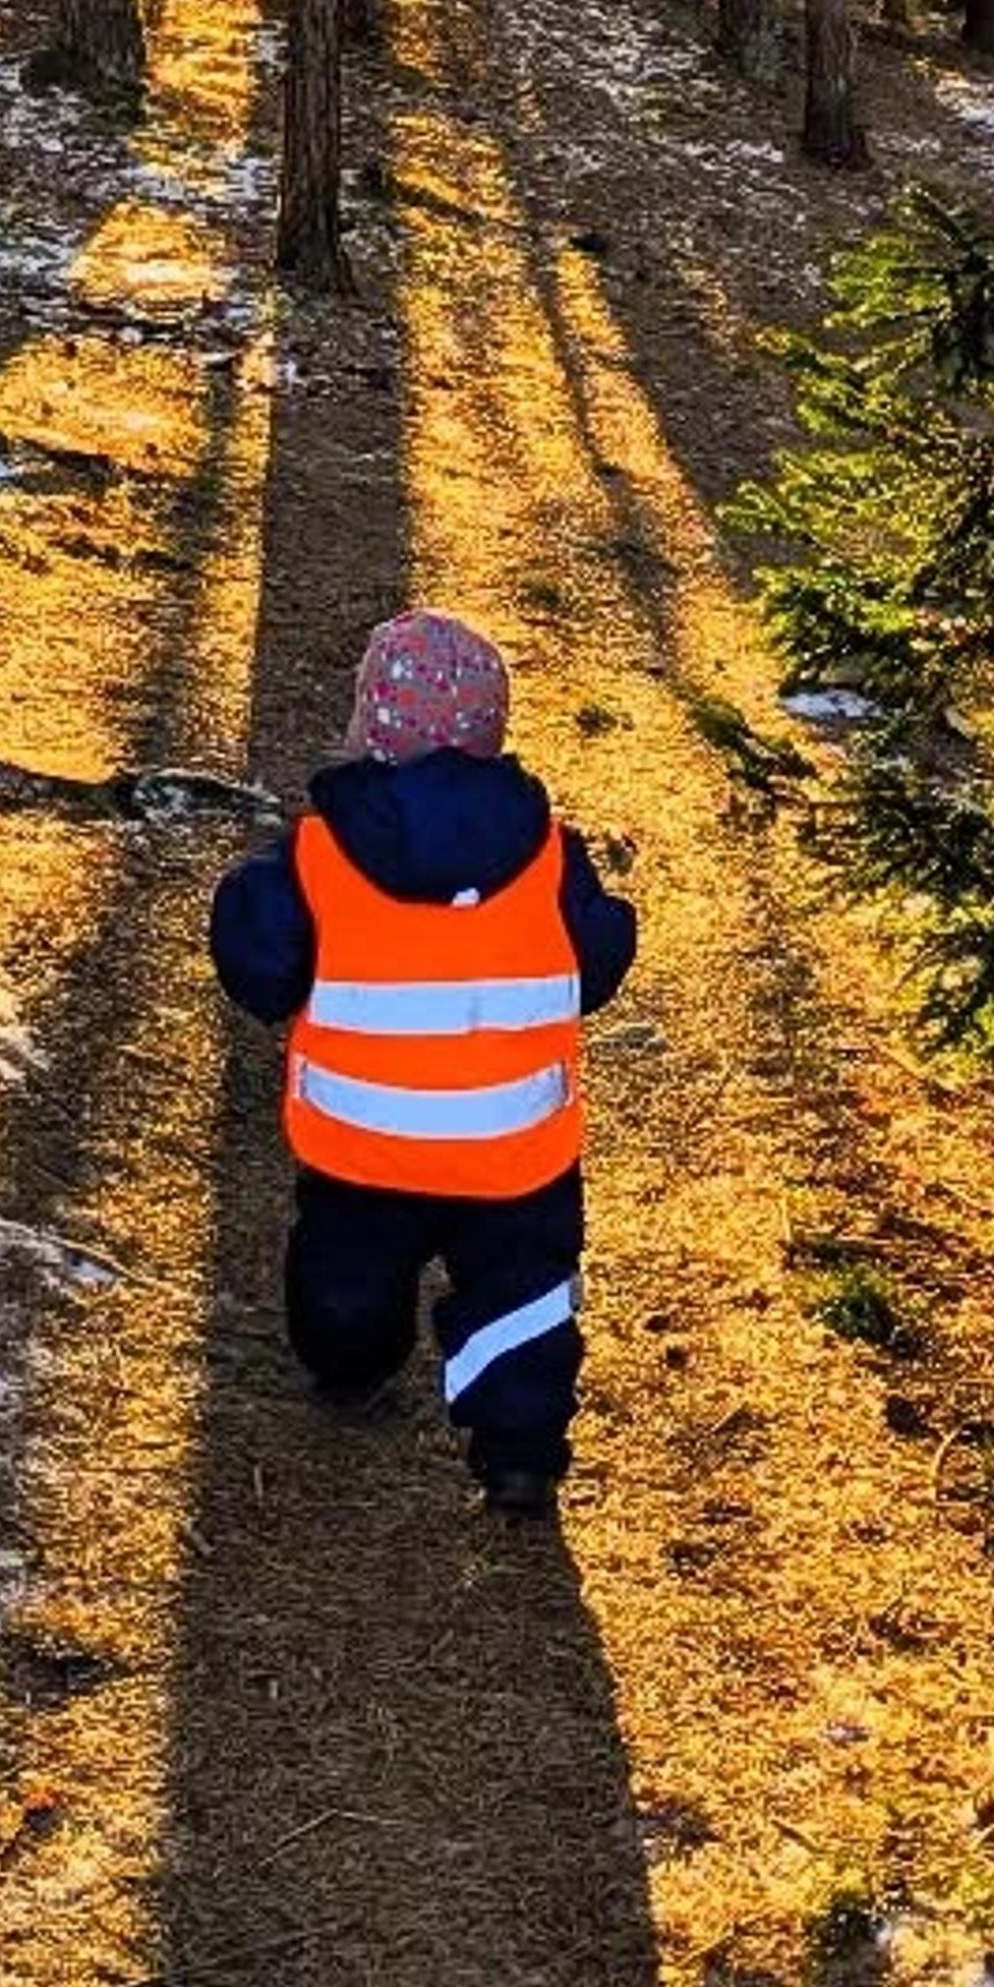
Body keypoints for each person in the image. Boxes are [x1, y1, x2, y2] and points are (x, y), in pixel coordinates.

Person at [207, 608, 639, 1517]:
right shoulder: (551, 853)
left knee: (347, 1273)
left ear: (371, 724)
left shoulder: (319, 856)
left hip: (365, 1143)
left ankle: (350, 1365)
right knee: (522, 1292)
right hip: (516, 1146)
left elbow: (260, 964)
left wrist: (249, 902)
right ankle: (520, 1450)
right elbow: (596, 963)